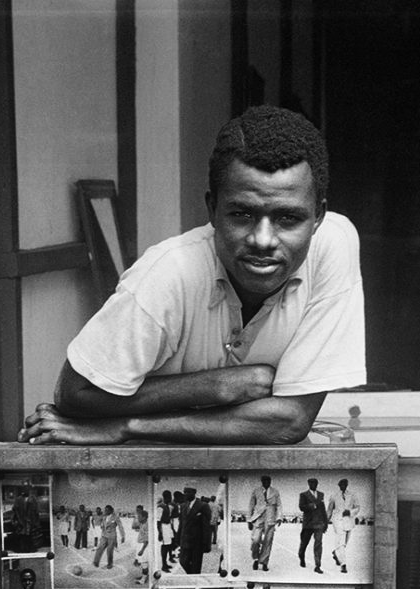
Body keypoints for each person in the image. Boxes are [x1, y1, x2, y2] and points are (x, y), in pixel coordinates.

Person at [19, 105, 365, 447]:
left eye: (288, 219)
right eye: (242, 214)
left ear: (318, 216)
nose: (263, 240)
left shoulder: (333, 244)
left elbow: (288, 421)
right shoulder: (170, 272)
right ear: (212, 208)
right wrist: (219, 386)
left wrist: (128, 425)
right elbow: (74, 394)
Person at [247, 474, 282, 571]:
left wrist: (279, 517)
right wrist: (249, 519)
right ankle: (256, 558)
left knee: (268, 541)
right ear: (262, 482)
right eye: (265, 481)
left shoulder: (275, 492)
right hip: (258, 518)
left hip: (270, 518)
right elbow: (251, 505)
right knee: (255, 540)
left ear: (270, 482)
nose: (267, 482)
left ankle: (264, 562)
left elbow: (279, 505)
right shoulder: (256, 491)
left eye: (268, 481)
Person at [326, 478, 360, 573]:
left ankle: (336, 553)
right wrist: (326, 521)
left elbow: (357, 507)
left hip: (349, 521)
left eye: (345, 484)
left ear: (347, 485)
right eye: (341, 484)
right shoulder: (334, 496)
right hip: (338, 521)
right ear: (339, 485)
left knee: (344, 543)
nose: (343, 486)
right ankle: (343, 564)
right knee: (341, 543)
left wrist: (350, 512)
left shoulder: (353, 495)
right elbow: (329, 510)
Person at [176, 485, 211, 574]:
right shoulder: (183, 506)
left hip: (197, 542)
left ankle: (195, 583)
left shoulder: (203, 506)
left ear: (194, 493)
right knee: (183, 562)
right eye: (184, 492)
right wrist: (178, 539)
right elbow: (181, 524)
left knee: (196, 565)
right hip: (185, 541)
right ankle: (191, 575)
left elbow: (206, 526)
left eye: (188, 492)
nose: (185, 494)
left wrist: (207, 543)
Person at [298, 477, 328, 573]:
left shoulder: (321, 495)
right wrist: (312, 506)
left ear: (317, 484)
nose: (313, 485)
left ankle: (317, 565)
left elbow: (323, 509)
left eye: (315, 483)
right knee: (304, 543)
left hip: (319, 523)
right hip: (308, 524)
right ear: (308, 484)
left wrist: (325, 523)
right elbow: (301, 507)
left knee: (318, 544)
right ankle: (301, 556)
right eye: (311, 483)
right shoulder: (303, 495)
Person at [93, 504, 125, 569]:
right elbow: (103, 524)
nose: (105, 511)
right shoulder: (104, 517)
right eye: (105, 510)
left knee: (109, 551)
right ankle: (96, 562)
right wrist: (102, 526)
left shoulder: (115, 517)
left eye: (107, 510)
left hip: (112, 537)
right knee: (99, 548)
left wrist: (123, 535)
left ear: (111, 510)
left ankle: (110, 564)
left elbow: (120, 526)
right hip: (104, 535)